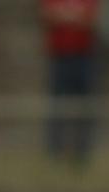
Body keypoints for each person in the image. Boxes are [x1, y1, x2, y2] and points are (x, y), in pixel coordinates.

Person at [41, 0, 100, 163]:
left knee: (85, 107)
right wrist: (75, 17)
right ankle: (55, 153)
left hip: (84, 56)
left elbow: (91, 20)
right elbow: (48, 17)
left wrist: (65, 16)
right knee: (57, 107)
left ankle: (82, 154)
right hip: (59, 56)